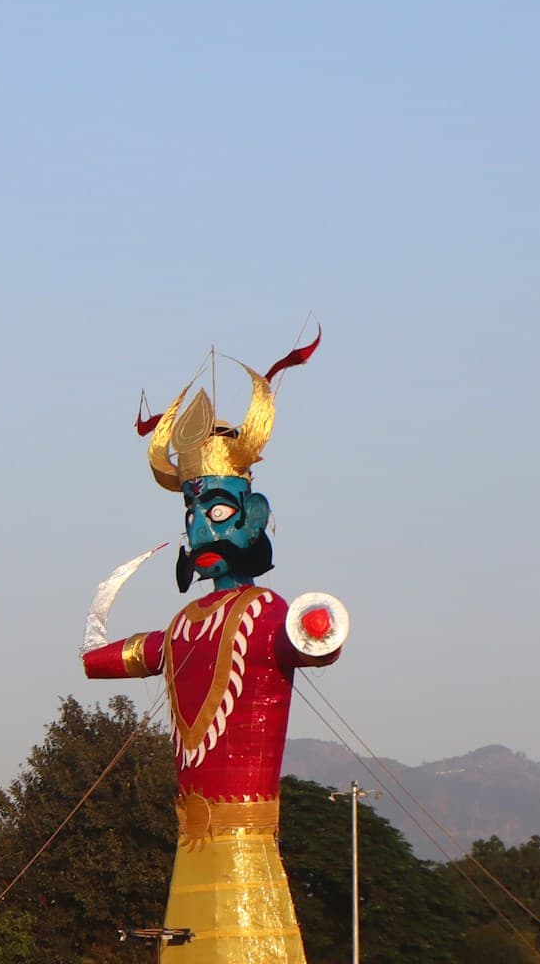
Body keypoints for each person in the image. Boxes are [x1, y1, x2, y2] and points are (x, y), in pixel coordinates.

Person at [82, 339, 350, 964]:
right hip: (189, 854)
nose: (202, 525)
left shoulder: (264, 613)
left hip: (248, 850)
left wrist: (317, 630)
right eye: (192, 511)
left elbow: (312, 636)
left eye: (218, 507)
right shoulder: (181, 627)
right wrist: (96, 627)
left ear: (252, 517)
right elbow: (105, 659)